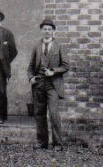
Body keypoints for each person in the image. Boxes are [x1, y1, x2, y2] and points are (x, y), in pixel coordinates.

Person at [27, 18, 69, 150]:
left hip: (53, 85)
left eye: (49, 29)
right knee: (39, 114)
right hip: (39, 84)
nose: (47, 31)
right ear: (41, 30)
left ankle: (57, 144)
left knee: (53, 114)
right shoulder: (36, 46)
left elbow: (66, 66)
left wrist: (53, 71)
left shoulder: (59, 46)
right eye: (44, 29)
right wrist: (31, 78)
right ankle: (42, 143)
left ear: (53, 31)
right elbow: (30, 67)